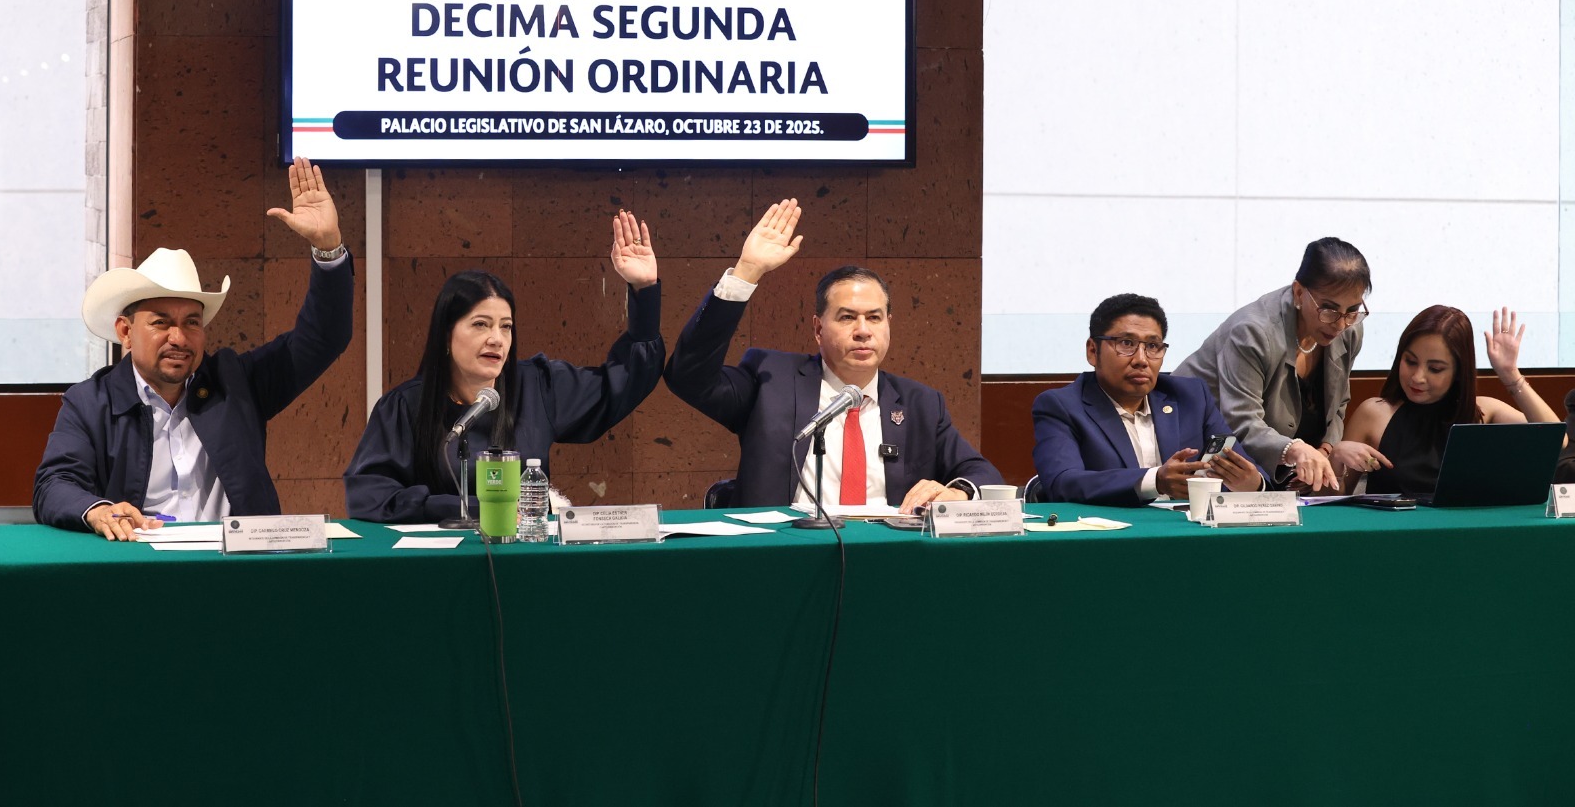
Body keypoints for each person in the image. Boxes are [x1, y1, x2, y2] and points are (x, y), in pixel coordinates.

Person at [33, 157, 354, 539]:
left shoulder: (235, 383)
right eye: (161, 322)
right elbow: (53, 485)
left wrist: (328, 248)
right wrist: (99, 510)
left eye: (191, 322)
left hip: (234, 565)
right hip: (139, 562)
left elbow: (322, 338)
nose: (179, 338)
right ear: (125, 331)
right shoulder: (91, 403)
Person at [664, 199, 1002, 512]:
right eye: (847, 317)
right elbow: (688, 377)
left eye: (874, 317)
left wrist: (959, 492)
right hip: (788, 548)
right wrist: (746, 273)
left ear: (888, 324)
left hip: (887, 549)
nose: (863, 330)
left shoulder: (921, 404)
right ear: (818, 328)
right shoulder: (770, 381)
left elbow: (981, 473)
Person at [343, 211, 663, 522]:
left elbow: (625, 380)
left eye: (506, 327)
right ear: (446, 336)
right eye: (480, 324)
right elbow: (369, 496)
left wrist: (644, 290)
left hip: (522, 548)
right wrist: (469, 509)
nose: (496, 339)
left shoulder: (537, 386)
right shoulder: (405, 406)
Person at [1174, 237, 1377, 492]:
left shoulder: (1349, 329)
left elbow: (1338, 404)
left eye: (1353, 310)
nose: (1340, 324)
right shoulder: (1254, 331)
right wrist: (1295, 450)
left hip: (1262, 469)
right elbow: (1241, 422)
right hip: (1195, 448)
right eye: (1329, 309)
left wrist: (1324, 450)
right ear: (1299, 292)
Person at [1032, 293, 1265, 505]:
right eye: (1126, 344)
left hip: (1187, 531)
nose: (1141, 360)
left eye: (1153, 346)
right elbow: (1063, 483)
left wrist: (1253, 484)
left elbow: (1243, 469)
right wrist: (1155, 481)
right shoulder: (1062, 406)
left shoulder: (1191, 397)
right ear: (1093, 351)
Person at [1342, 306, 1559, 494]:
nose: (1417, 377)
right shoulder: (1373, 413)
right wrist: (1337, 457)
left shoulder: (1484, 411)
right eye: (1410, 362)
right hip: (1392, 529)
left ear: (1458, 372)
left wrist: (1510, 374)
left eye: (1435, 369)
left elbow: (1556, 439)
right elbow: (1332, 502)